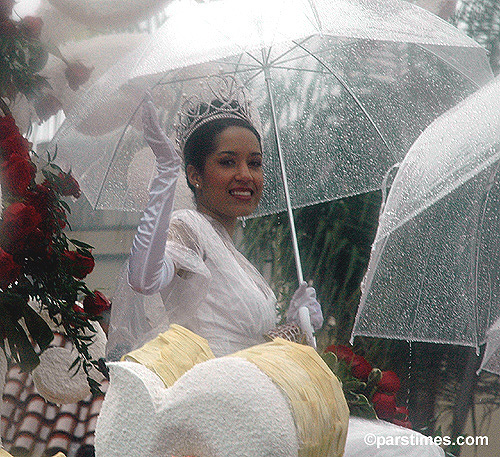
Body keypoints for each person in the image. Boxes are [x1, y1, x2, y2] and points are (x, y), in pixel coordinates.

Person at [109, 76, 323, 359]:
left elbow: (252, 352)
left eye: (255, 163)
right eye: (227, 162)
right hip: (205, 391)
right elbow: (144, 279)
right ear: (194, 175)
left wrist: (297, 326)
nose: (245, 175)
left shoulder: (235, 256)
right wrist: (165, 175)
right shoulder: (188, 227)